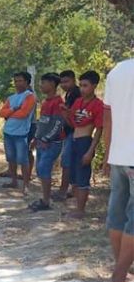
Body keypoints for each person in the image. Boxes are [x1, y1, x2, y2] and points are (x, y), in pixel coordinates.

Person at [103, 58, 134, 282]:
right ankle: (120, 275)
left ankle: (120, 269)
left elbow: (107, 118)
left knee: (117, 214)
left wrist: (107, 155)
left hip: (119, 156)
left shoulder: (117, 71)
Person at [64, 70, 104, 219]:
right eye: (80, 85)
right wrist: (66, 114)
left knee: (82, 176)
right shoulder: (78, 102)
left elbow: (99, 130)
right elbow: (72, 122)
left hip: (85, 141)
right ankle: (75, 207)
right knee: (73, 175)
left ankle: (81, 209)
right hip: (74, 139)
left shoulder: (98, 105)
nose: (82, 89)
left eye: (85, 85)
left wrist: (90, 151)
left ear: (94, 86)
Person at [29, 73, 65, 211]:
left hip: (52, 143)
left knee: (44, 168)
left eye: (43, 83)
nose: (41, 85)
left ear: (52, 84)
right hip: (42, 142)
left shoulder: (57, 102)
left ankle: (46, 201)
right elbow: (42, 123)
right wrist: (36, 138)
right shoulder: (45, 102)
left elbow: (57, 124)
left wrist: (46, 139)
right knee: (40, 170)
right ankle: (44, 198)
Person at [0, 72, 37, 193]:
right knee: (11, 158)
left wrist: (9, 113)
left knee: (23, 159)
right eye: (16, 81)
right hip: (8, 131)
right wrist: (14, 110)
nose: (17, 83)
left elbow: (24, 113)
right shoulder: (11, 98)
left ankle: (26, 185)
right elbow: (1, 113)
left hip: (21, 133)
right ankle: (14, 181)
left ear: (27, 82)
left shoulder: (30, 96)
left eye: (20, 81)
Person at [54, 70, 81, 201]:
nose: (64, 85)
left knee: (67, 161)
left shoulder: (76, 93)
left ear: (73, 80)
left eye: (66, 81)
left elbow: (73, 114)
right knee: (70, 161)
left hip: (75, 131)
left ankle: (63, 190)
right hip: (69, 131)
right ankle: (71, 188)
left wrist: (65, 111)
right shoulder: (69, 94)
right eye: (62, 82)